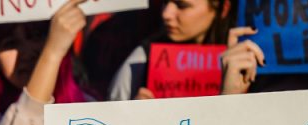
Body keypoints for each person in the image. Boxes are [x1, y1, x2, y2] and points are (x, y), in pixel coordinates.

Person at [108, 0, 265, 100]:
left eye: (182, 5)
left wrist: (235, 97)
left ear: (223, 8)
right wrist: (133, 116)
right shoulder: (142, 60)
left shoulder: (251, 58)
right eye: (164, 2)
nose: (166, 13)